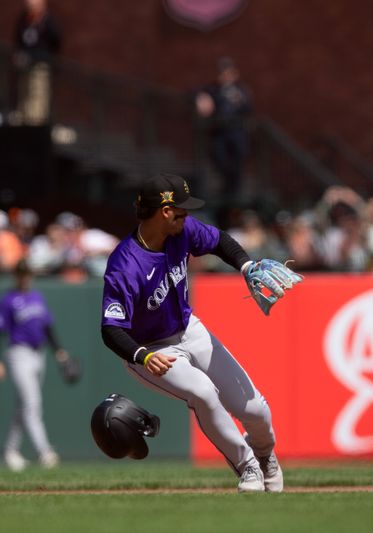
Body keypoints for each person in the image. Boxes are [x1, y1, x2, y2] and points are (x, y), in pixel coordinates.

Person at [100, 173, 302, 493]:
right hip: (151, 350)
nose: (188, 216)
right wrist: (142, 355)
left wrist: (246, 266)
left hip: (189, 329)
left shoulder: (183, 231)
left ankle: (264, 455)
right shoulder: (125, 264)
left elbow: (219, 240)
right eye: (182, 210)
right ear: (165, 212)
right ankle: (247, 466)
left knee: (255, 410)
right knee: (203, 393)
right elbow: (111, 328)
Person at [0, 259, 72, 471]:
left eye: (28, 274)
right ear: (16, 275)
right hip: (19, 354)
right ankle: (45, 452)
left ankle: (9, 451)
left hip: (39, 354)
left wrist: (59, 351)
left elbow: (48, 327)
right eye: (22, 274)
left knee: (23, 406)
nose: (25, 277)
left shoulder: (37, 297)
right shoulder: (7, 300)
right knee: (32, 404)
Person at [194, 57, 253, 202]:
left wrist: (239, 100)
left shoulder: (240, 90)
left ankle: (233, 189)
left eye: (227, 72)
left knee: (237, 160)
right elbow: (198, 95)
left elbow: (249, 108)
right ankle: (227, 186)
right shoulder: (213, 89)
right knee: (219, 157)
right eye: (222, 72)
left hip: (236, 130)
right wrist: (201, 99)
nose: (224, 75)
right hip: (219, 131)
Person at [13, 0, 61, 125]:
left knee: (38, 95)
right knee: (24, 94)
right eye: (28, 5)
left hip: (40, 64)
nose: (30, 7)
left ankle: (36, 125)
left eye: (33, 5)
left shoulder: (47, 20)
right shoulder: (24, 20)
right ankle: (24, 123)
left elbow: (56, 39)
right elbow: (19, 39)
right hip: (25, 64)